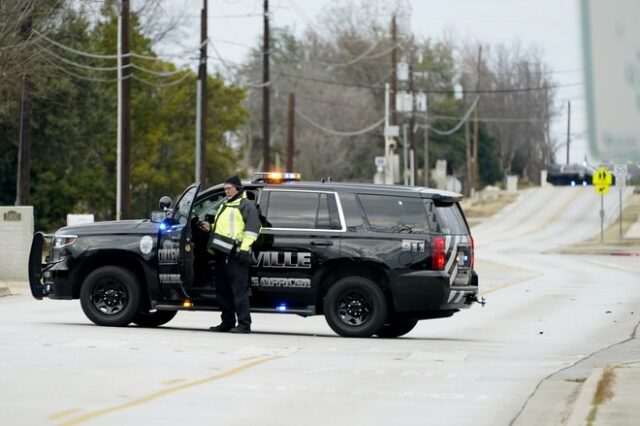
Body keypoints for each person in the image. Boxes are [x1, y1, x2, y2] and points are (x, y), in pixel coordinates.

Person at [202, 176, 261, 333]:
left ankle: (244, 324)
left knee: (238, 291)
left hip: (236, 255)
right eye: (225, 188)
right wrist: (211, 226)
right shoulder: (226, 205)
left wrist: (244, 249)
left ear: (237, 188)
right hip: (222, 254)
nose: (226, 191)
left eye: (229, 188)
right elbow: (226, 227)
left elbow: (253, 229)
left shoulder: (245, 205)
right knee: (223, 291)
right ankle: (227, 322)